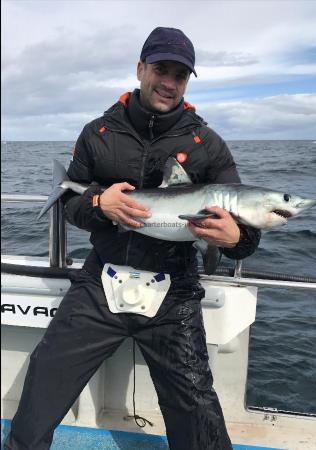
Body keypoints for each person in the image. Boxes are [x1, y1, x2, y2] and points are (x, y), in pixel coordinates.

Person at [5, 27, 261, 450]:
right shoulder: (97, 134)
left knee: (197, 407)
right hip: (98, 280)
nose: (169, 82)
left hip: (174, 288)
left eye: (180, 75)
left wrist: (235, 238)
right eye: (161, 69)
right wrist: (97, 204)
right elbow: (73, 206)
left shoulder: (209, 146)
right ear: (141, 68)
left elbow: (245, 233)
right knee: (43, 379)